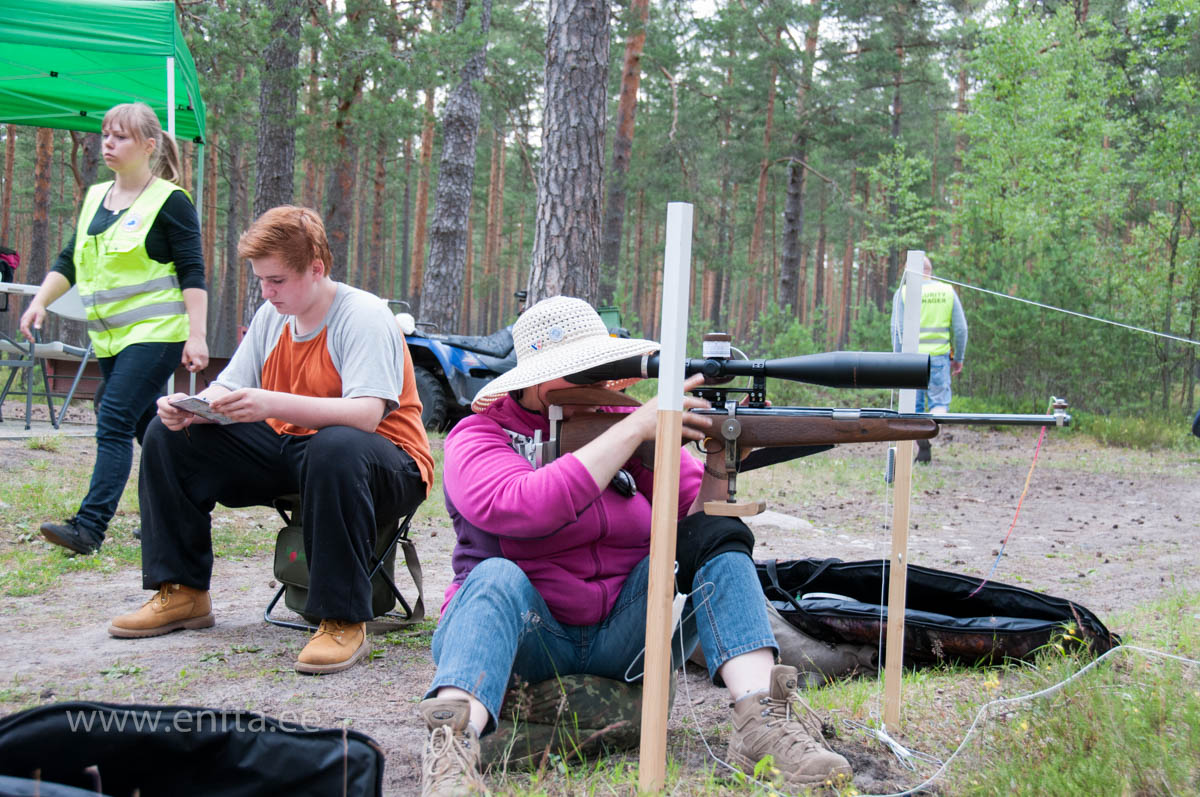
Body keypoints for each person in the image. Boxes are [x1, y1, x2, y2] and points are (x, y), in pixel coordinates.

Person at [416, 296, 853, 795]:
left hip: (622, 636)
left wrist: (719, 460)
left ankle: (761, 721)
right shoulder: (480, 435)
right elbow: (524, 506)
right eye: (588, 375)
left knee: (721, 541)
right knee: (494, 576)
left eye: (607, 373)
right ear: (539, 380)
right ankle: (451, 751)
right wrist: (632, 431)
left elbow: (698, 524)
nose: (607, 387)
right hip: (527, 639)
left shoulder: (621, 427)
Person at [105, 206, 434, 676]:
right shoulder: (271, 316)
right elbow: (231, 384)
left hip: (386, 463)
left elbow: (366, 416)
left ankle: (342, 618)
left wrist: (271, 403)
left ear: (316, 268)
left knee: (335, 445)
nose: (266, 291)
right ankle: (183, 593)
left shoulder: (362, 315)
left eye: (277, 280)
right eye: (260, 279)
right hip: (299, 451)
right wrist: (191, 406)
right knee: (169, 435)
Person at [19, 102, 208, 554]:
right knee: (152, 428)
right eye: (105, 134)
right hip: (111, 340)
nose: (108, 142)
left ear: (149, 145)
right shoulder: (94, 199)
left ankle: (89, 527)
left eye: (120, 136)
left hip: (157, 334)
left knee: (115, 416)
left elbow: (193, 273)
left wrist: (197, 335)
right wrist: (39, 301)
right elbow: (70, 260)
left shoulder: (170, 201)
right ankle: (185, 506)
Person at [890, 255, 967, 463]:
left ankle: (921, 442)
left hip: (910, 360)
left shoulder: (903, 293)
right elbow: (961, 329)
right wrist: (958, 357)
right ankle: (931, 432)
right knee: (939, 402)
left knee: (912, 409)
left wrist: (897, 361)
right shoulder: (946, 291)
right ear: (929, 270)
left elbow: (897, 329)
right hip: (939, 357)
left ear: (910, 271)